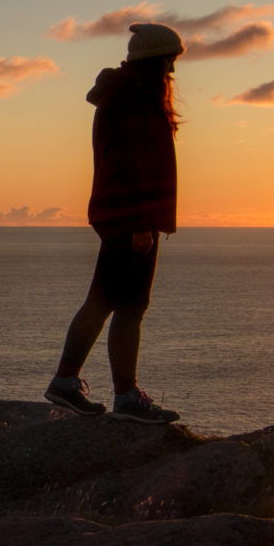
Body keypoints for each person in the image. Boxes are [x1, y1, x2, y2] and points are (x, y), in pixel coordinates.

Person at [45, 23, 184, 423]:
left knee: (104, 301)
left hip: (121, 214)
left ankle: (66, 382)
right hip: (129, 217)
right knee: (130, 306)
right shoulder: (130, 96)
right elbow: (126, 162)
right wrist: (142, 221)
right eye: (169, 59)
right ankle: (124, 395)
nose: (173, 69)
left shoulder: (129, 92)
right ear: (153, 59)